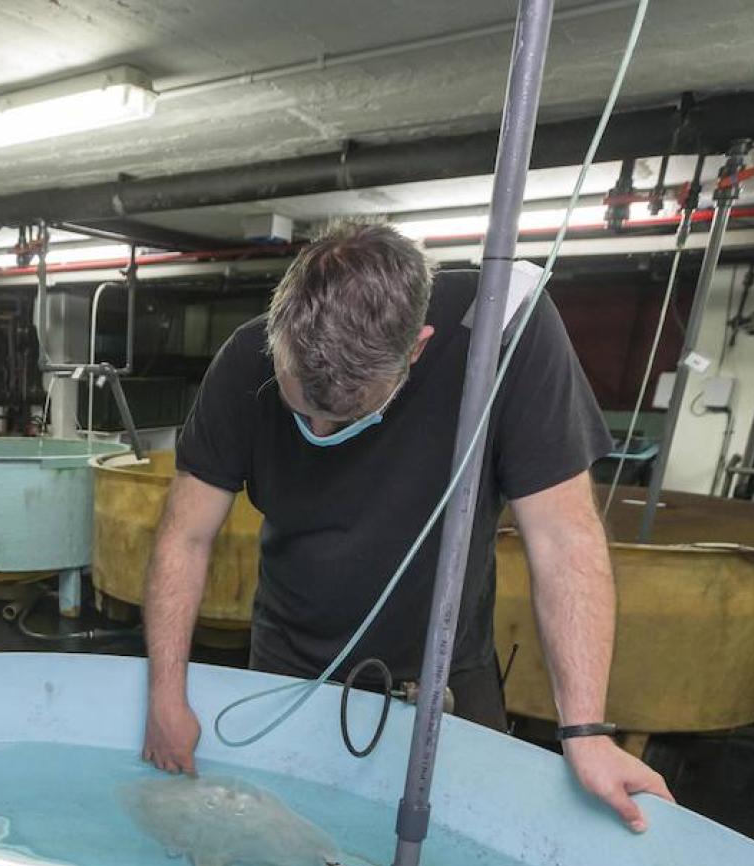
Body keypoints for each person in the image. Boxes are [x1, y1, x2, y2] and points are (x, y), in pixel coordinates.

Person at [141, 220, 672, 830]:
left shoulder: (505, 332)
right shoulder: (245, 360)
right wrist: (166, 694)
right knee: (280, 840)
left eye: (345, 416)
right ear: (278, 332)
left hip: (442, 670)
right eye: (301, 410)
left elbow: (563, 535)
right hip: (291, 662)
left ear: (416, 348)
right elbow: (186, 535)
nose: (318, 433)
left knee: (453, 852)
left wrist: (584, 731)